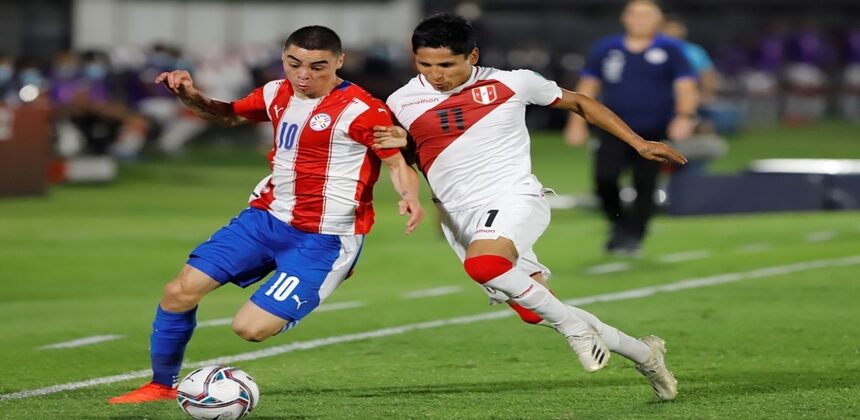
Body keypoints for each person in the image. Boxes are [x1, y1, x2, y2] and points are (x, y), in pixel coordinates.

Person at [375, 13, 685, 400]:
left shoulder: (512, 82)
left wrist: (638, 143)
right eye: (425, 64)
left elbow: (581, 102)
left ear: (472, 56)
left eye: (447, 65)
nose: (436, 75)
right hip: (458, 215)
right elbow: (412, 155)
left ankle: (575, 331)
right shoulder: (400, 101)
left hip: (512, 196)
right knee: (534, 309)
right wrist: (404, 167)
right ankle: (645, 354)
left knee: (484, 265)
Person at [109, 25, 424, 404]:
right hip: (265, 219)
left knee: (250, 329)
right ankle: (161, 385)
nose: (303, 75)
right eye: (294, 63)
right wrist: (191, 96)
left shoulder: (363, 110)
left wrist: (409, 196)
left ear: (339, 62)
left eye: (317, 67)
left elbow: (397, 163)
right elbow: (227, 116)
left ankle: (333, 270)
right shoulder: (276, 92)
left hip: (324, 237)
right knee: (178, 292)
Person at [563, 0, 698, 255]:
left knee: (645, 182)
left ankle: (635, 234)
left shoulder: (671, 49)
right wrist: (576, 122)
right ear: (624, 18)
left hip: (653, 128)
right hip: (613, 127)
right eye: (635, 14)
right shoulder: (607, 48)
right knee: (604, 178)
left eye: (646, 15)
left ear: (658, 20)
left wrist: (684, 116)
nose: (640, 20)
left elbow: (686, 86)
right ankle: (618, 223)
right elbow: (588, 87)